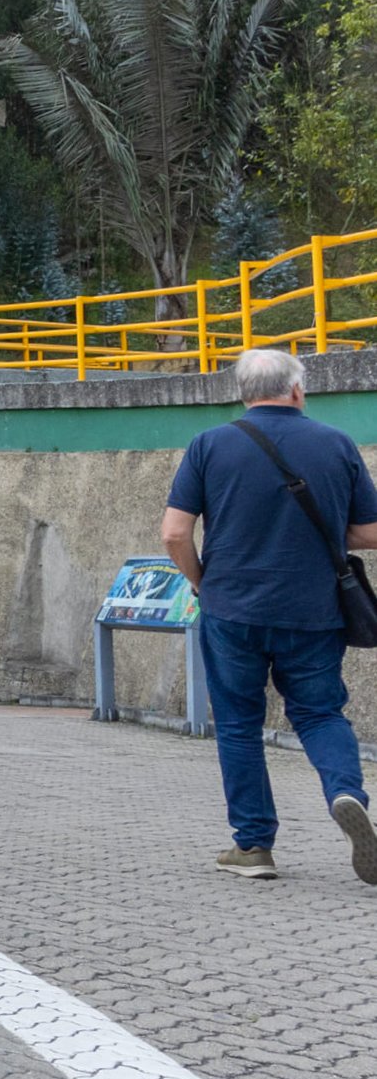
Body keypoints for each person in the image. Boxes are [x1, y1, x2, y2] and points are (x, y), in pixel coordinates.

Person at [161, 348, 377, 885]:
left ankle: (253, 846)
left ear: (243, 392)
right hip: (314, 610)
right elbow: (371, 532)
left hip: (231, 607)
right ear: (298, 390)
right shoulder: (335, 443)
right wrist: (323, 530)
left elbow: (174, 532)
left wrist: (201, 579)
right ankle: (346, 792)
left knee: (238, 724)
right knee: (321, 714)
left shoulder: (210, 445)